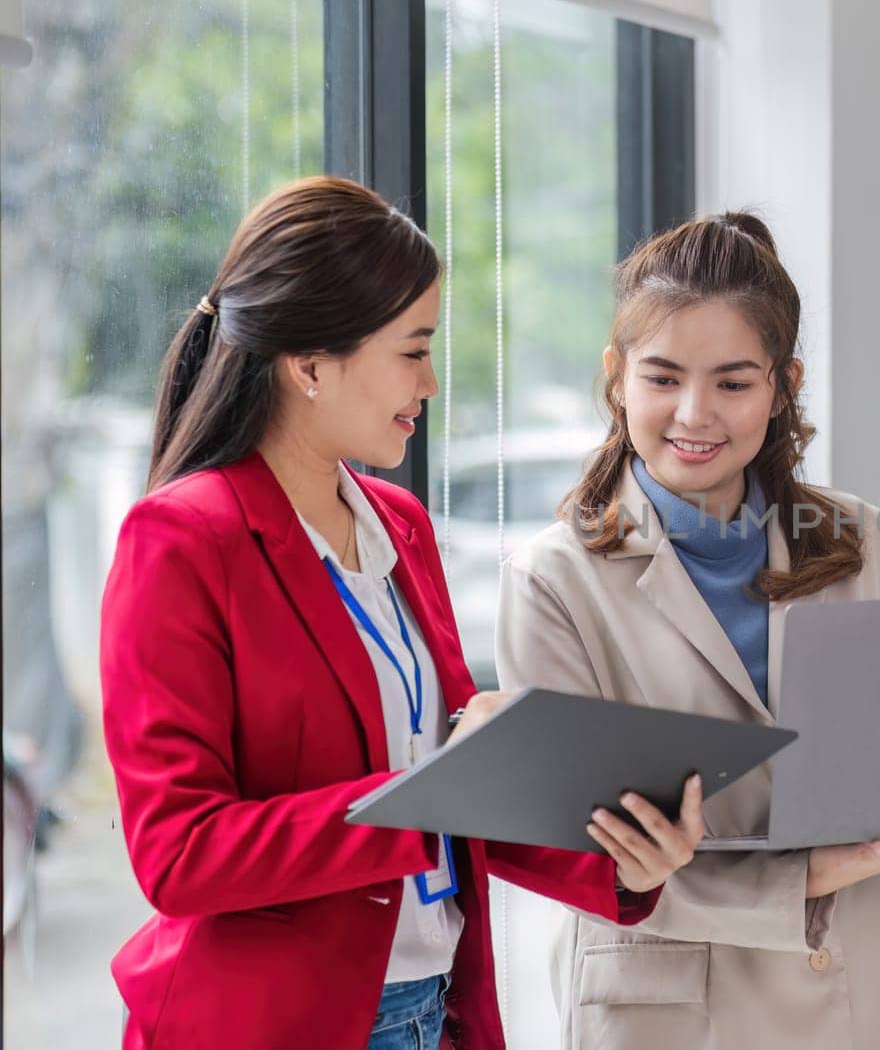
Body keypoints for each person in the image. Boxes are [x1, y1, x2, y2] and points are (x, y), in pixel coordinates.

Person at [99, 176, 704, 1050]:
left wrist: (621, 859)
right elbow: (179, 851)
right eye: (412, 349)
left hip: (433, 1015)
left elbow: (465, 782)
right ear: (309, 365)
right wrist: (418, 802)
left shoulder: (402, 528)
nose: (429, 380)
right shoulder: (182, 540)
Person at [495, 212, 880, 1049]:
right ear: (617, 377)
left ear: (783, 384)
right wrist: (814, 871)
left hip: (860, 986)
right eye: (662, 378)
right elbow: (588, 861)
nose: (695, 414)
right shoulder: (552, 580)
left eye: (733, 383)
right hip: (674, 1005)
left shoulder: (856, 537)